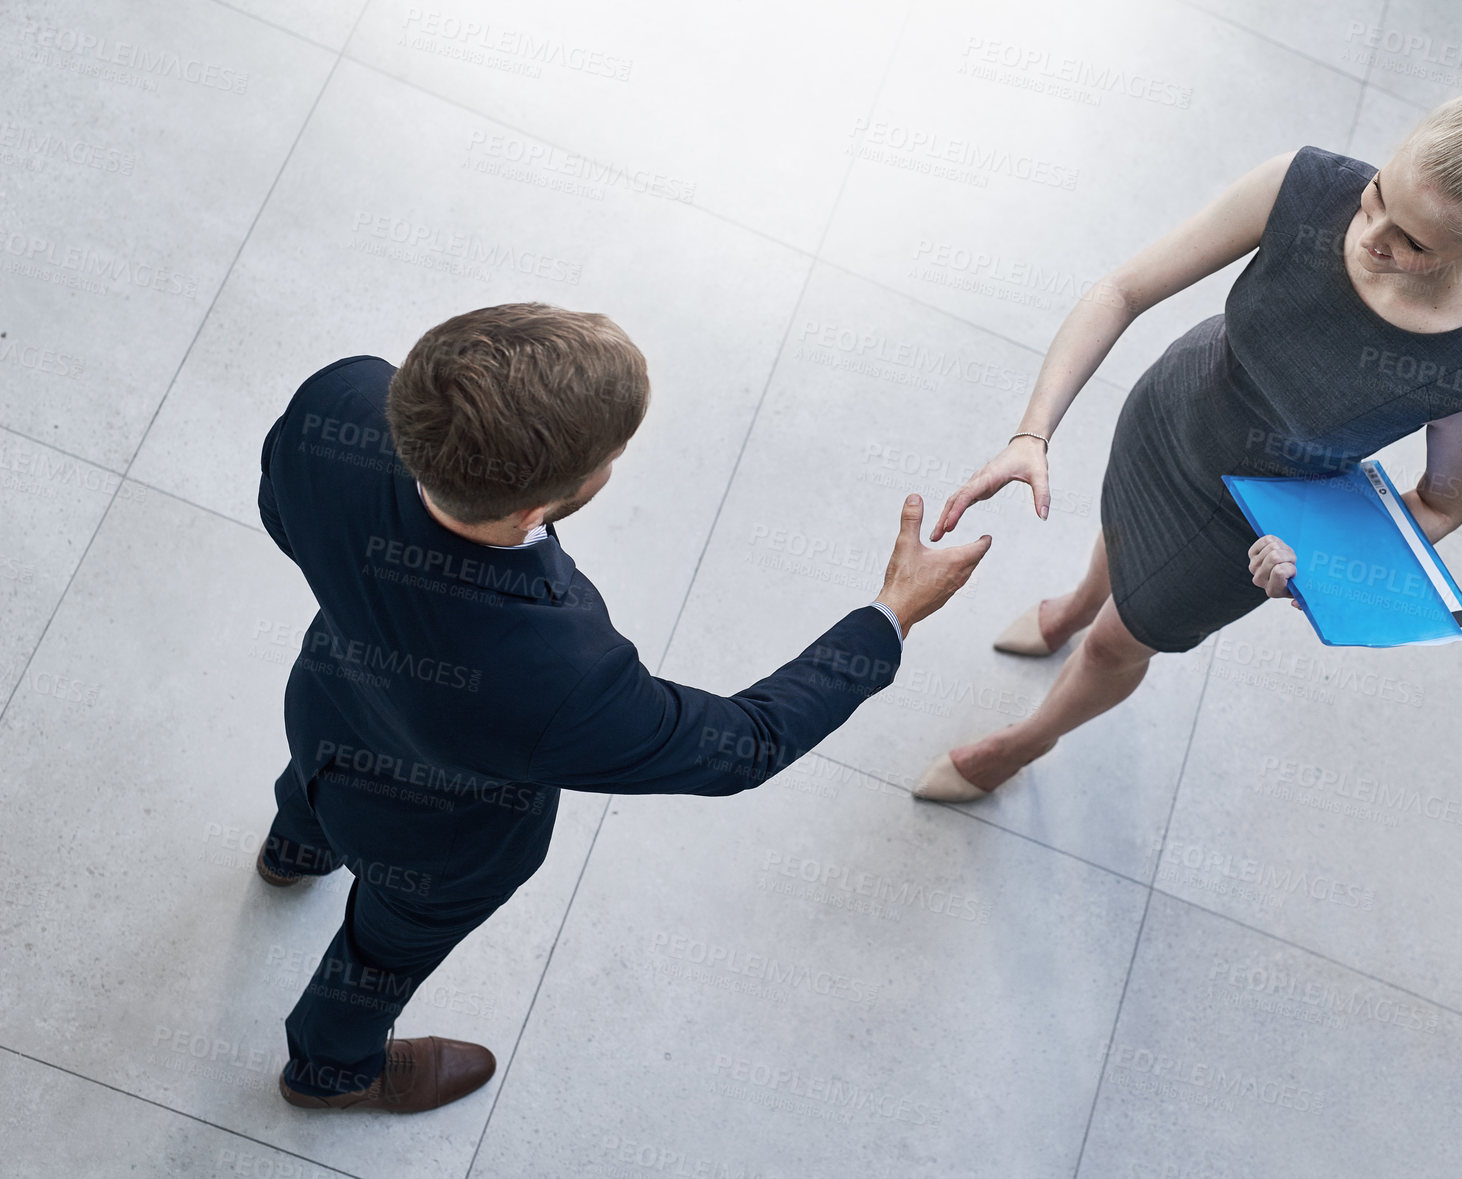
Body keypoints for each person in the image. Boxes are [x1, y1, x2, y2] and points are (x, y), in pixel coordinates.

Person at [255, 305, 989, 1112]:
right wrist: (891, 614)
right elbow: (745, 744)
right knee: (381, 952)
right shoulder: (560, 679)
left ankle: (293, 851)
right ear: (536, 510)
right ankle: (330, 1068)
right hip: (432, 844)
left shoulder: (342, 399)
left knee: (312, 792)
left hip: (326, 704)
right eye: (612, 456)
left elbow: (282, 515)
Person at [914, 71, 1462, 801]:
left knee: (1120, 643)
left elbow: (1440, 506)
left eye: (1412, 242)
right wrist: (1033, 433)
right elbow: (1122, 290)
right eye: (1377, 198)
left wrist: (1319, 570)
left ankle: (1021, 745)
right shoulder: (1298, 185)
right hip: (1168, 416)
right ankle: (1076, 605)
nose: (1370, 238)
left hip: (1239, 524)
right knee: (1118, 531)